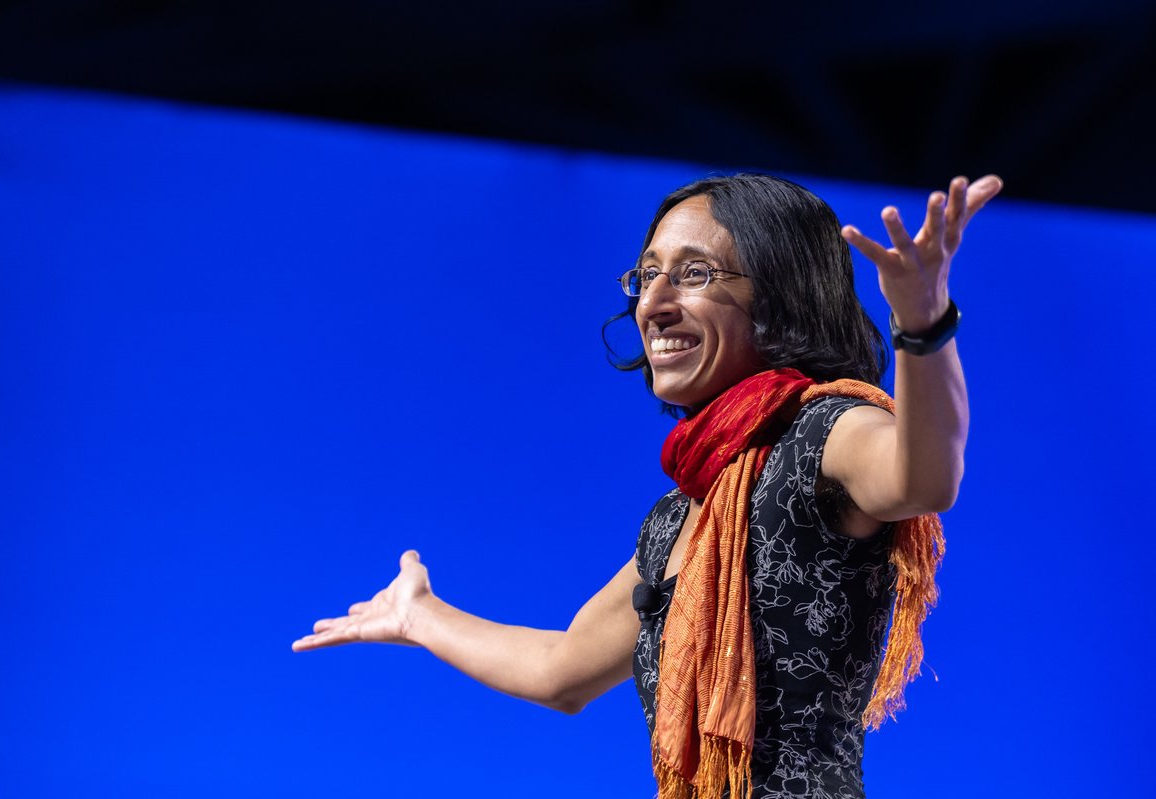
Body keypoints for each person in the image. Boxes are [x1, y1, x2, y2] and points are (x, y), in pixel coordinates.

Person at [292, 172, 1002, 799]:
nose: (653, 303)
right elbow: (561, 669)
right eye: (647, 275)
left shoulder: (826, 431)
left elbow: (926, 475)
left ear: (781, 297)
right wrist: (420, 615)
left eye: (694, 274)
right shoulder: (681, 513)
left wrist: (923, 319)